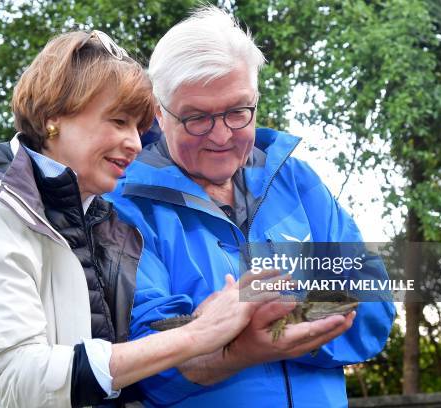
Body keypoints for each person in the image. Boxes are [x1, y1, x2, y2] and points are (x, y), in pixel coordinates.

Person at [0, 30, 286, 408]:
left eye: (139, 129)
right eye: (118, 121)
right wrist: (196, 335)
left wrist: (205, 328)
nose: (136, 144)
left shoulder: (104, 220)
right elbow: (14, 375)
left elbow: (345, 289)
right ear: (53, 115)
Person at [106, 7, 396, 407]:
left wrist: (267, 327)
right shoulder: (123, 206)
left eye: (238, 111)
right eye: (196, 118)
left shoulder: (296, 181)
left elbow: (374, 305)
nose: (222, 135)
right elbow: (142, 356)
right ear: (160, 112)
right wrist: (244, 346)